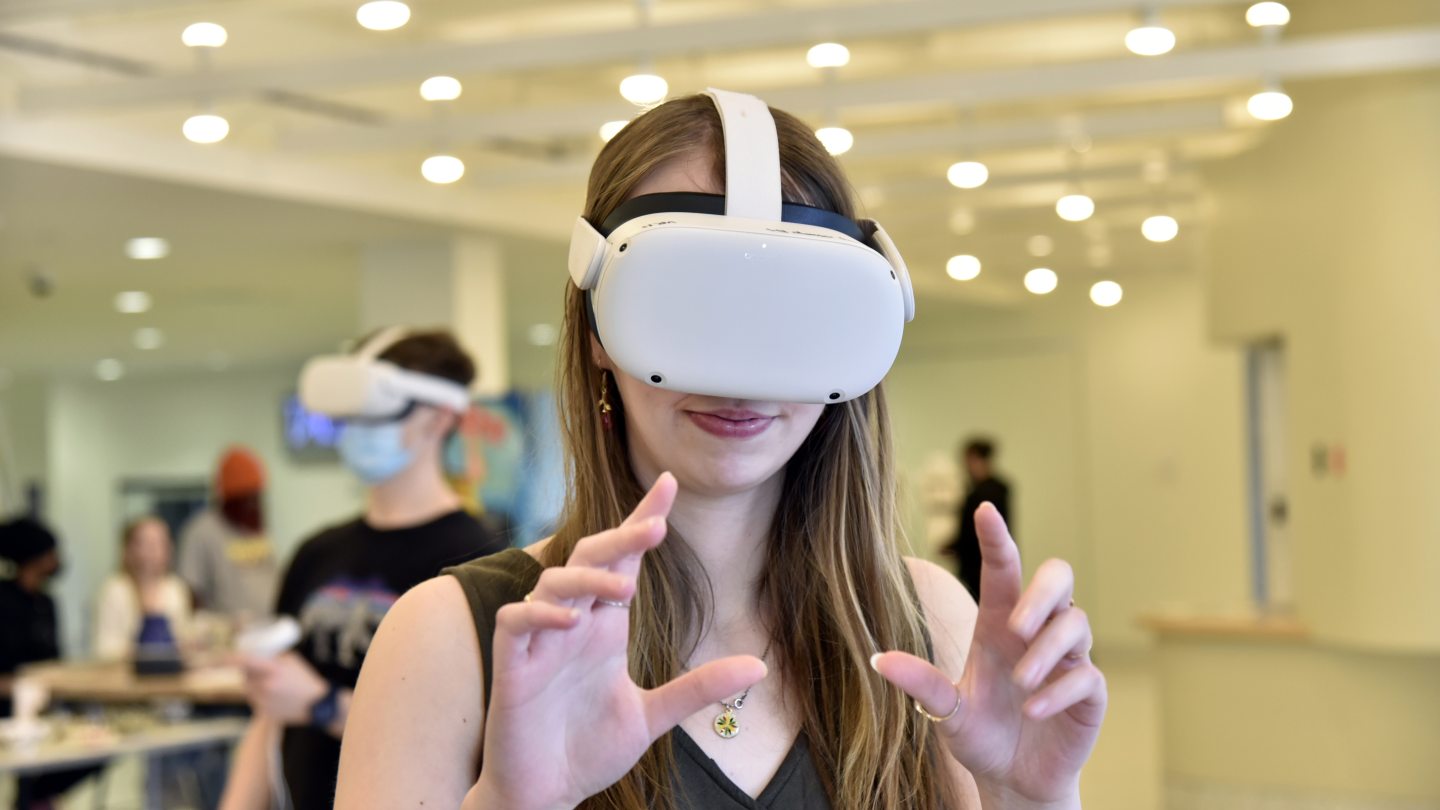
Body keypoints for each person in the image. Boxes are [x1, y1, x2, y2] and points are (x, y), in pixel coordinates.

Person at [335, 92, 1104, 809]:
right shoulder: (451, 638)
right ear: (599, 326)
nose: (740, 378)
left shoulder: (925, 620)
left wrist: (1027, 799)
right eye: (689, 305)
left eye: (790, 316)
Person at [219, 329, 507, 810]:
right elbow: (271, 712)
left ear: (440, 418)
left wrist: (321, 704)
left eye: (376, 411)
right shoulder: (316, 553)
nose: (357, 427)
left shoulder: (481, 561)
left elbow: (470, 735)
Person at [0, 517, 95, 810]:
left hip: (47, 703)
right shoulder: (4, 601)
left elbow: (54, 661)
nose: (56, 561)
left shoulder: (47, 603)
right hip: (8, 705)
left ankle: (35, 799)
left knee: (92, 744)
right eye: (51, 553)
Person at [177, 446, 279, 626]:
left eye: (255, 497)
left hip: (268, 632)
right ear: (227, 500)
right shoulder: (201, 531)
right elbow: (191, 594)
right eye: (245, 499)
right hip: (227, 641)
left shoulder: (256, 529)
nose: (252, 505)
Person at [94, 516, 193, 661]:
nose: (154, 550)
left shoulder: (175, 589)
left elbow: (184, 637)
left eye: (160, 542)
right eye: (146, 543)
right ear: (129, 549)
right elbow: (104, 648)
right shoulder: (116, 590)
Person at [944, 437, 1014, 602]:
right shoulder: (1000, 489)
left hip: (978, 569)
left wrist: (954, 546)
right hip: (997, 564)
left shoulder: (980, 494)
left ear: (976, 459)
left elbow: (972, 534)